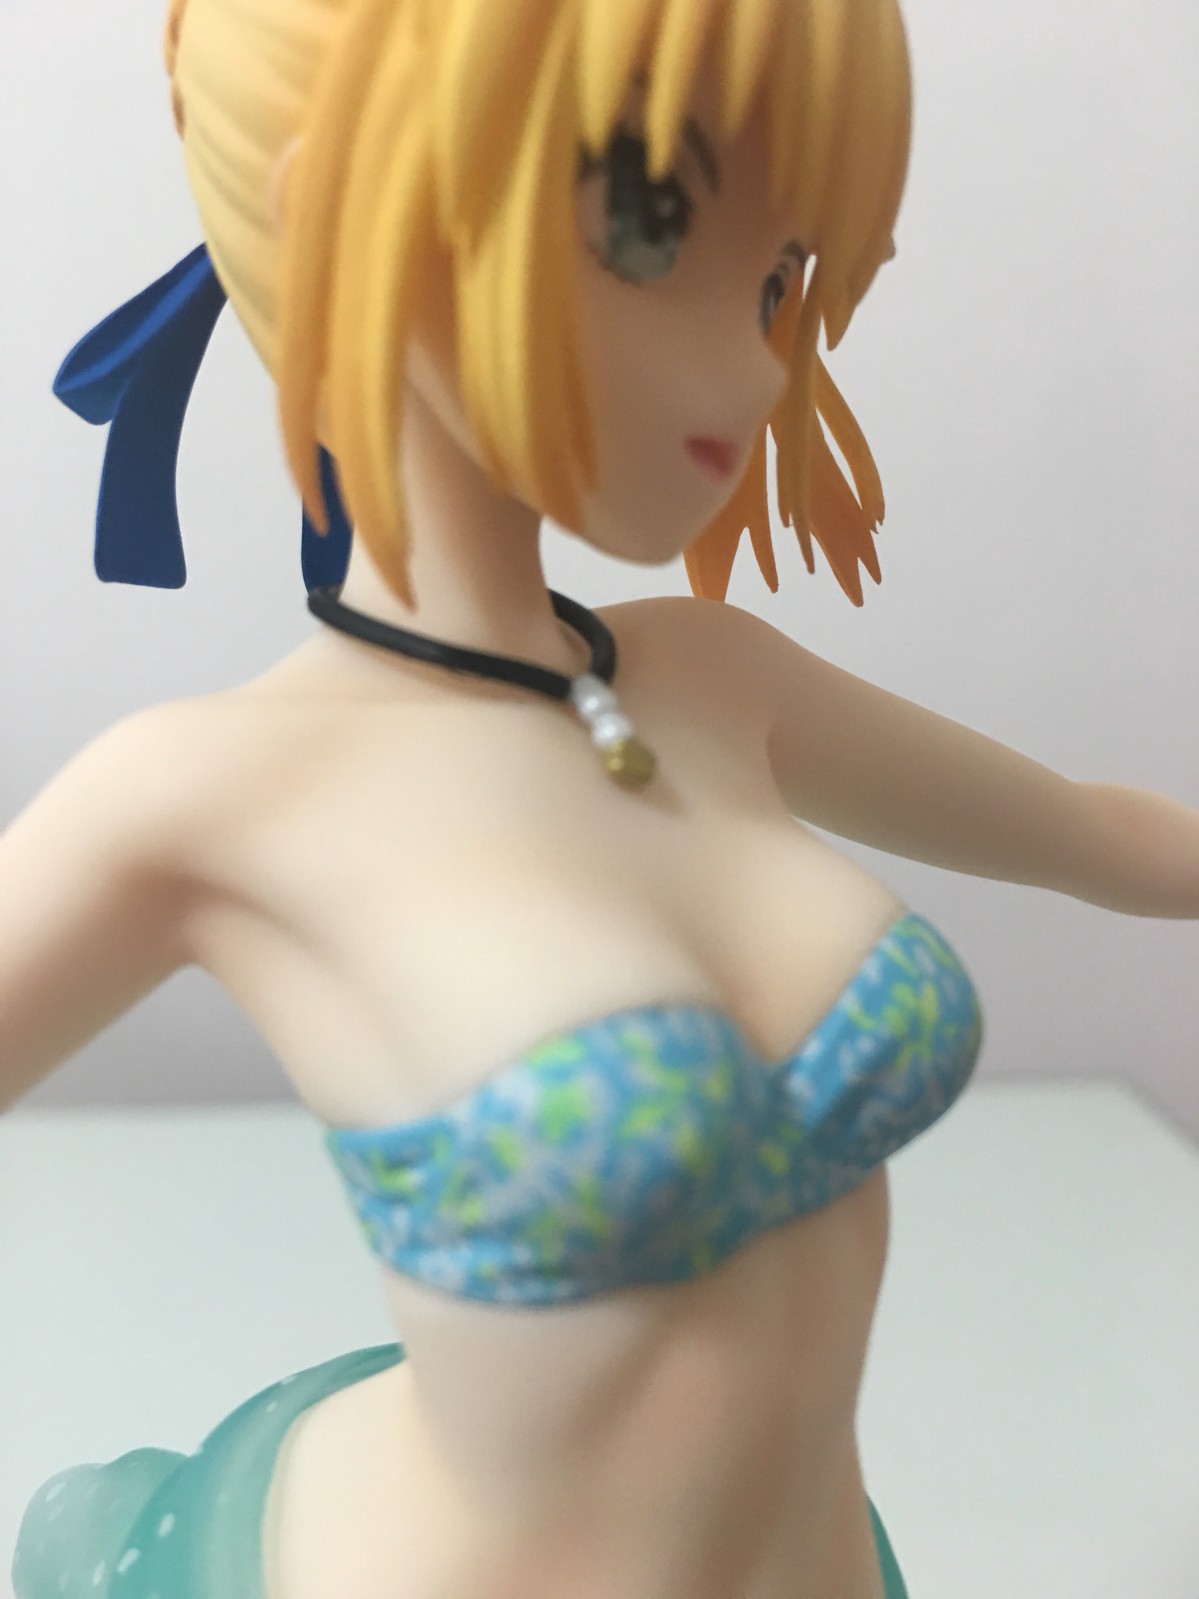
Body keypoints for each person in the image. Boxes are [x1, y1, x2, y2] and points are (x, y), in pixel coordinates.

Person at [7, 2, 1196, 1596]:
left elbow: (1102, 837)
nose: (756, 364)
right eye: (645, 221)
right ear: (339, 199)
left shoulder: (713, 678)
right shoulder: (208, 795)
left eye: (779, 277)